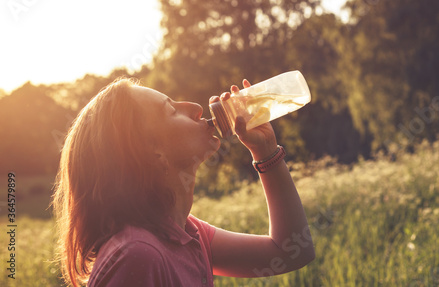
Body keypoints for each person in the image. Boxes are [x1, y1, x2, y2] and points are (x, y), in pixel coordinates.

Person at [52, 77, 315, 286]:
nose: (196, 107)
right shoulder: (138, 255)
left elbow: (290, 251)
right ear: (151, 152)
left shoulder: (186, 235)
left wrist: (266, 151)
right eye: (171, 109)